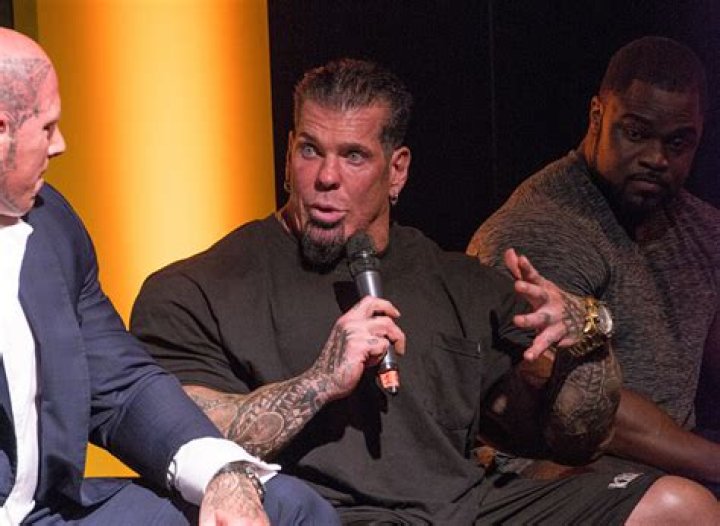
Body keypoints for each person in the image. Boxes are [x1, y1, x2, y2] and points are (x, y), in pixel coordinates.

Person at [131, 57, 718, 524]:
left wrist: (586, 338)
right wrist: (320, 381)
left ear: (398, 170)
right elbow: (180, 434)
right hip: (322, 514)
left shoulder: (458, 281)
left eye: (354, 156)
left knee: (681, 507)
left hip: (466, 508)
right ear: (288, 155)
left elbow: (574, 439)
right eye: (310, 150)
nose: (326, 177)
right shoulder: (197, 288)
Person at [0, 27, 339, 525]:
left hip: (39, 511)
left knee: (288, 508)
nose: (61, 145)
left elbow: (122, 384)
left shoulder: (53, 226)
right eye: (47, 127)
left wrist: (223, 475)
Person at [468, 36, 720, 489]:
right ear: (597, 116)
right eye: (636, 133)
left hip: (674, 467)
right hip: (556, 473)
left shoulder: (701, 228)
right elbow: (569, 402)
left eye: (678, 142)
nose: (657, 158)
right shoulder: (543, 228)